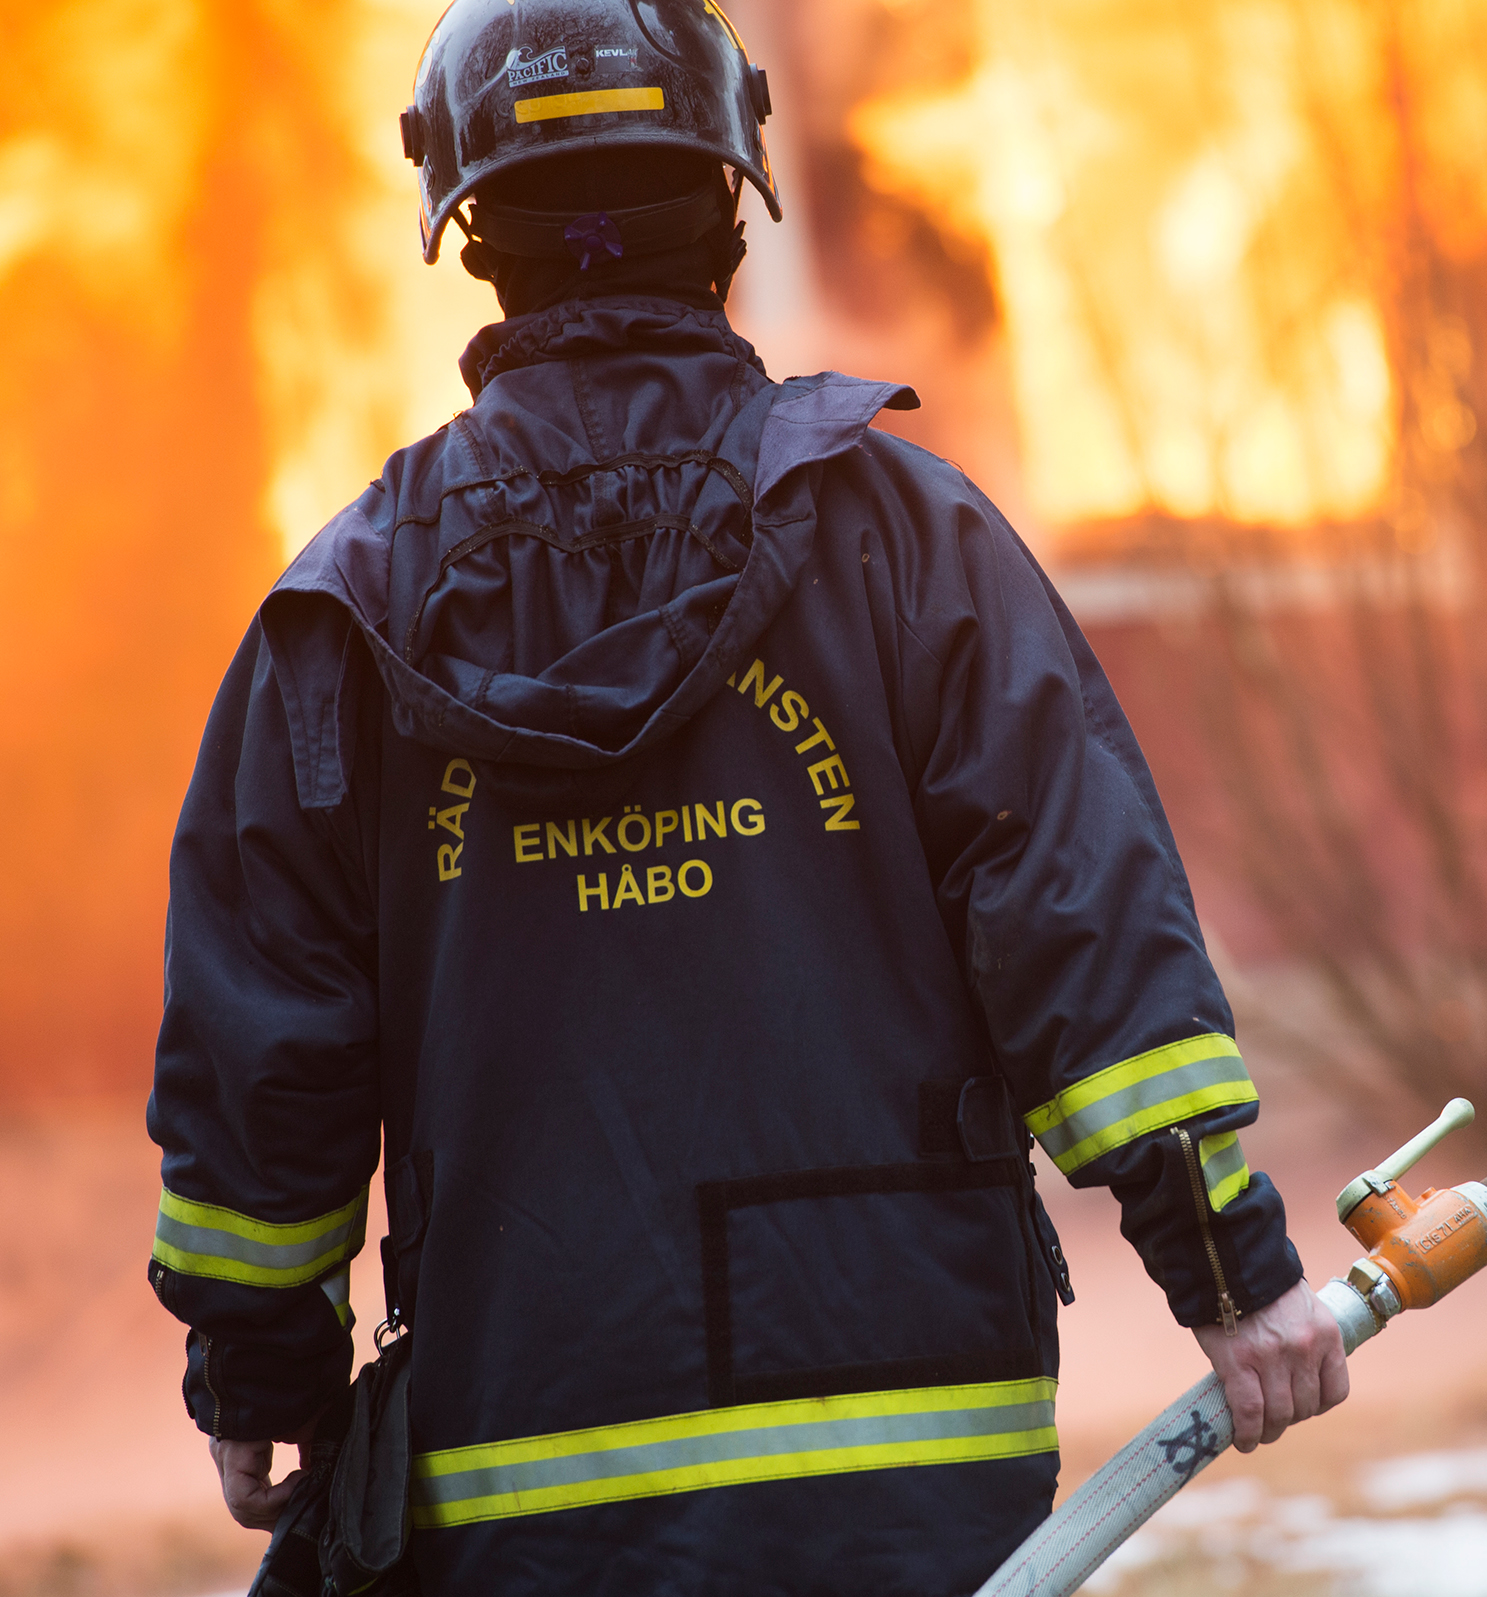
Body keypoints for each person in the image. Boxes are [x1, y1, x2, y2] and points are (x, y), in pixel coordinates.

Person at [145, 1, 1346, 1589]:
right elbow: (1081, 927)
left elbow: (264, 1059)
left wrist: (264, 1377)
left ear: (464, 228)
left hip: (529, 1477)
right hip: (910, 1467)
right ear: (731, 193)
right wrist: (1229, 1268)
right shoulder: (908, 542)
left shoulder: (344, 614)